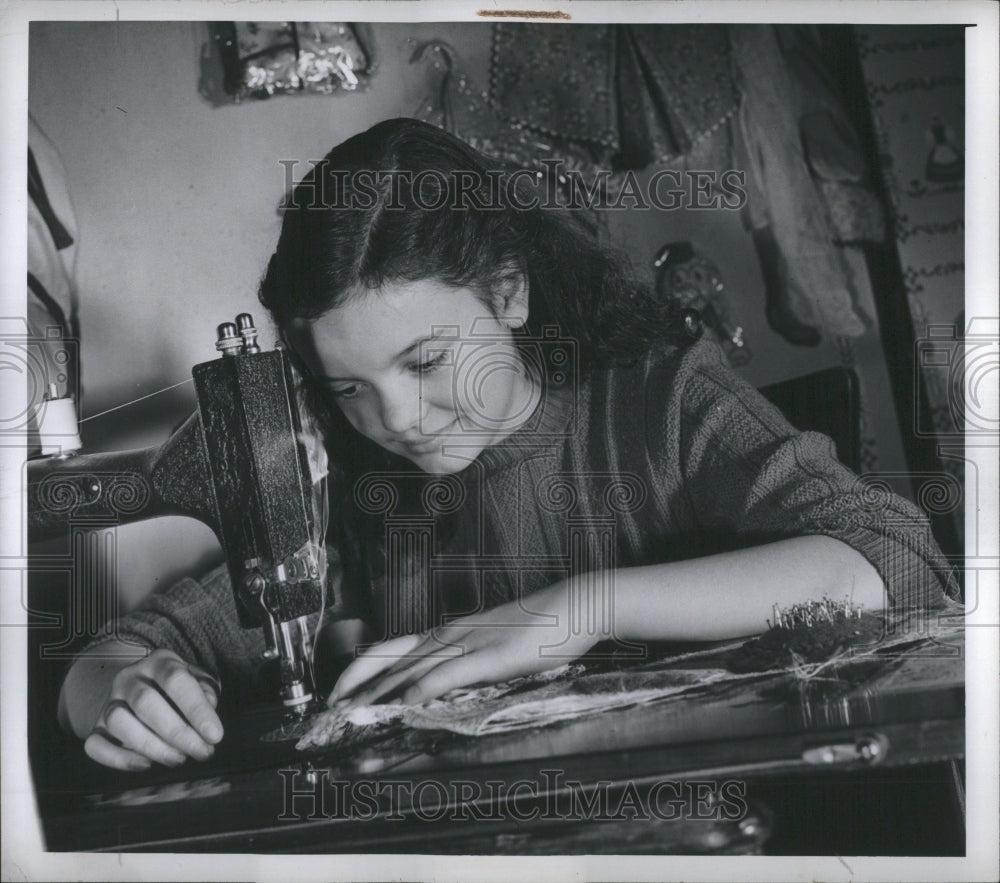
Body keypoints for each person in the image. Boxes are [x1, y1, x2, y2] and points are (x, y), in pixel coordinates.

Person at [57, 118, 957, 771]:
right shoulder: (360, 484)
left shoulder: (664, 398)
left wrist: (571, 611)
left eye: (426, 359)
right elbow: (127, 649)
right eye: (348, 388)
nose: (398, 419)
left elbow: (896, 558)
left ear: (511, 293)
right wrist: (123, 691)